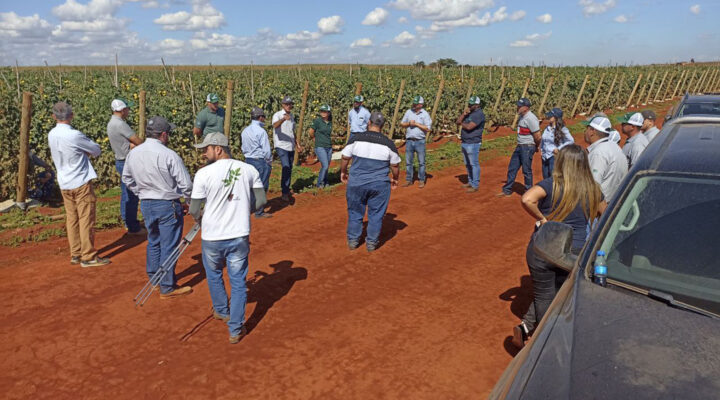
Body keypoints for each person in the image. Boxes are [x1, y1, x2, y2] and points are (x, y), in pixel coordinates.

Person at [513, 144, 606, 348]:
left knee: (544, 293)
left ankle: (532, 330)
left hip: (543, 247)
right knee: (564, 293)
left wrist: (543, 218)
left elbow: (527, 198)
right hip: (573, 251)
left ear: (562, 162)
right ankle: (545, 338)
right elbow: (605, 215)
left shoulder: (551, 184)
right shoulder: (593, 189)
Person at [189, 133, 267, 344]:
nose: (204, 153)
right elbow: (261, 200)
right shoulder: (249, 169)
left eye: (206, 149)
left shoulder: (203, 174)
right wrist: (244, 211)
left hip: (212, 236)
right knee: (238, 281)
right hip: (238, 235)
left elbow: (194, 208)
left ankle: (222, 310)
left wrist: (200, 219)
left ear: (219, 149)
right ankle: (235, 328)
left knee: (213, 273)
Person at [122, 116, 194, 299]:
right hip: (167, 204)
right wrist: (190, 202)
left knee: (154, 242)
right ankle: (167, 287)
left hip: (146, 204)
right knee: (169, 246)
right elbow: (186, 184)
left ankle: (154, 280)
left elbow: (126, 179)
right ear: (163, 135)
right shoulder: (169, 155)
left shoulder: (134, 153)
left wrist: (141, 192)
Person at [47, 101, 110, 267]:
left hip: (64, 182)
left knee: (72, 218)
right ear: (72, 116)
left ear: (54, 116)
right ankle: (88, 256)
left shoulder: (51, 134)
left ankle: (75, 253)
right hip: (80, 181)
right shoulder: (74, 135)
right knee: (86, 218)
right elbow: (96, 150)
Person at [341, 111, 401, 252]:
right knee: (376, 214)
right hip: (379, 184)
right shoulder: (388, 143)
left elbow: (344, 157)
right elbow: (395, 166)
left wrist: (343, 172)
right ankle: (371, 243)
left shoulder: (356, 138)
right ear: (383, 126)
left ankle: (353, 240)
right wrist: (395, 179)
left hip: (356, 182)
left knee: (355, 212)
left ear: (369, 122)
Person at [107, 99, 145, 235]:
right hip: (127, 162)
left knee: (125, 192)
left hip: (120, 160)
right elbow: (137, 140)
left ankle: (127, 221)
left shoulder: (111, 123)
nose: (129, 111)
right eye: (127, 109)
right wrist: (139, 143)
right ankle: (133, 226)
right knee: (132, 194)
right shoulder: (120, 125)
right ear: (122, 110)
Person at [498, 98, 541, 197]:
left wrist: (535, 146)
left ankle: (529, 193)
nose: (517, 107)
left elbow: (538, 136)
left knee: (526, 170)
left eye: (519, 106)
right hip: (520, 146)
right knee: (512, 167)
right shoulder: (522, 116)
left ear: (526, 108)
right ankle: (507, 190)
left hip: (527, 147)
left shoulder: (531, 118)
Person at [582, 116, 628, 201]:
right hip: (614, 201)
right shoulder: (615, 146)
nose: (585, 132)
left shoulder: (598, 153)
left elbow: (593, 187)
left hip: (600, 207)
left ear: (592, 131)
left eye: (587, 129)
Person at [241, 107, 273, 218]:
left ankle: (248, 208)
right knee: (262, 186)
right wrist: (269, 162)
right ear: (260, 117)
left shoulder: (245, 131)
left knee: (250, 186)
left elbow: (243, 147)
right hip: (260, 161)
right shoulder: (261, 131)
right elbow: (266, 150)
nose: (264, 119)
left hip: (248, 160)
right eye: (263, 117)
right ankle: (259, 212)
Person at [272, 96, 303, 202]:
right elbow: (275, 126)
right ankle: (284, 192)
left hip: (290, 146)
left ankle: (286, 189)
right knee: (285, 166)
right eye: (286, 104)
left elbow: (292, 132)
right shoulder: (277, 115)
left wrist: (297, 144)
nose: (289, 106)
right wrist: (283, 119)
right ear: (282, 105)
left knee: (289, 168)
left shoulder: (292, 116)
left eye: (290, 104)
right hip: (280, 145)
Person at [400, 96, 432, 188]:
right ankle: (409, 180)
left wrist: (417, 124)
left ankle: (421, 180)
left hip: (420, 141)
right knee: (408, 162)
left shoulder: (425, 114)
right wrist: (409, 124)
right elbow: (402, 123)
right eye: (413, 103)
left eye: (416, 104)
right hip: (409, 141)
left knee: (421, 162)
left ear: (420, 105)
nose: (413, 105)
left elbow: (428, 128)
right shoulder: (408, 112)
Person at [455, 95, 485, 193]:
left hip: (473, 143)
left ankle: (475, 184)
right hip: (465, 142)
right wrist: (463, 114)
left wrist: (461, 124)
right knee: (468, 164)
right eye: (469, 104)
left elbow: (469, 127)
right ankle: (470, 181)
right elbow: (458, 121)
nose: (470, 106)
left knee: (473, 163)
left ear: (477, 105)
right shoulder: (469, 113)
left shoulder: (479, 114)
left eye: (472, 105)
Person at [540, 107, 574, 179]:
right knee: (545, 178)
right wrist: (542, 149)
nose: (548, 117)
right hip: (544, 157)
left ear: (555, 118)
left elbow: (571, 141)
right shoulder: (547, 128)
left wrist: (558, 149)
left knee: (553, 178)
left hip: (554, 157)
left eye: (550, 116)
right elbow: (543, 140)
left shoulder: (562, 129)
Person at [308, 104, 333, 188]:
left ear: (328, 113)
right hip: (320, 146)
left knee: (326, 166)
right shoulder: (317, 121)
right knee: (325, 165)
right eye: (322, 111)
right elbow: (311, 132)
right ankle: (320, 184)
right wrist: (314, 138)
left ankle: (326, 182)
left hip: (328, 146)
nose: (323, 113)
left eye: (325, 111)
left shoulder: (330, 123)